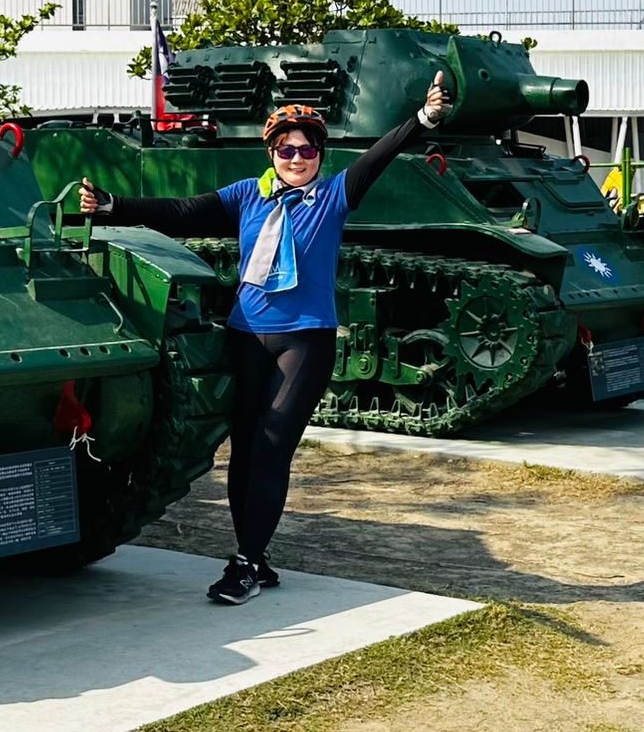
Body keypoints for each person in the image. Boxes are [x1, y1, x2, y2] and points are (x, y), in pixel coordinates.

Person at [80, 72, 454, 604]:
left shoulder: (333, 196)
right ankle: (254, 553)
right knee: (244, 451)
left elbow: (379, 156)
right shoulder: (247, 196)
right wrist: (115, 206)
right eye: (285, 149)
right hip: (246, 336)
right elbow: (184, 213)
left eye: (306, 149)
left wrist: (425, 118)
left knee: (273, 447)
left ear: (320, 154)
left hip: (304, 341)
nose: (296, 158)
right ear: (272, 153)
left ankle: (246, 564)